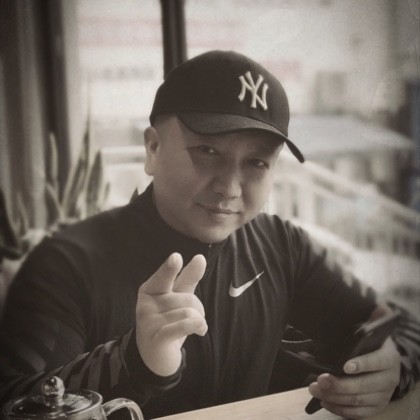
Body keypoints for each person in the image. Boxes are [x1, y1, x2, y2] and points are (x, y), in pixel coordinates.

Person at [0, 50, 419, 419]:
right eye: (208, 151)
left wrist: (393, 366)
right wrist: (134, 359)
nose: (229, 187)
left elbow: (398, 326)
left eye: (256, 163)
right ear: (152, 149)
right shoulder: (67, 262)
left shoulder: (280, 245)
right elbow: (13, 402)